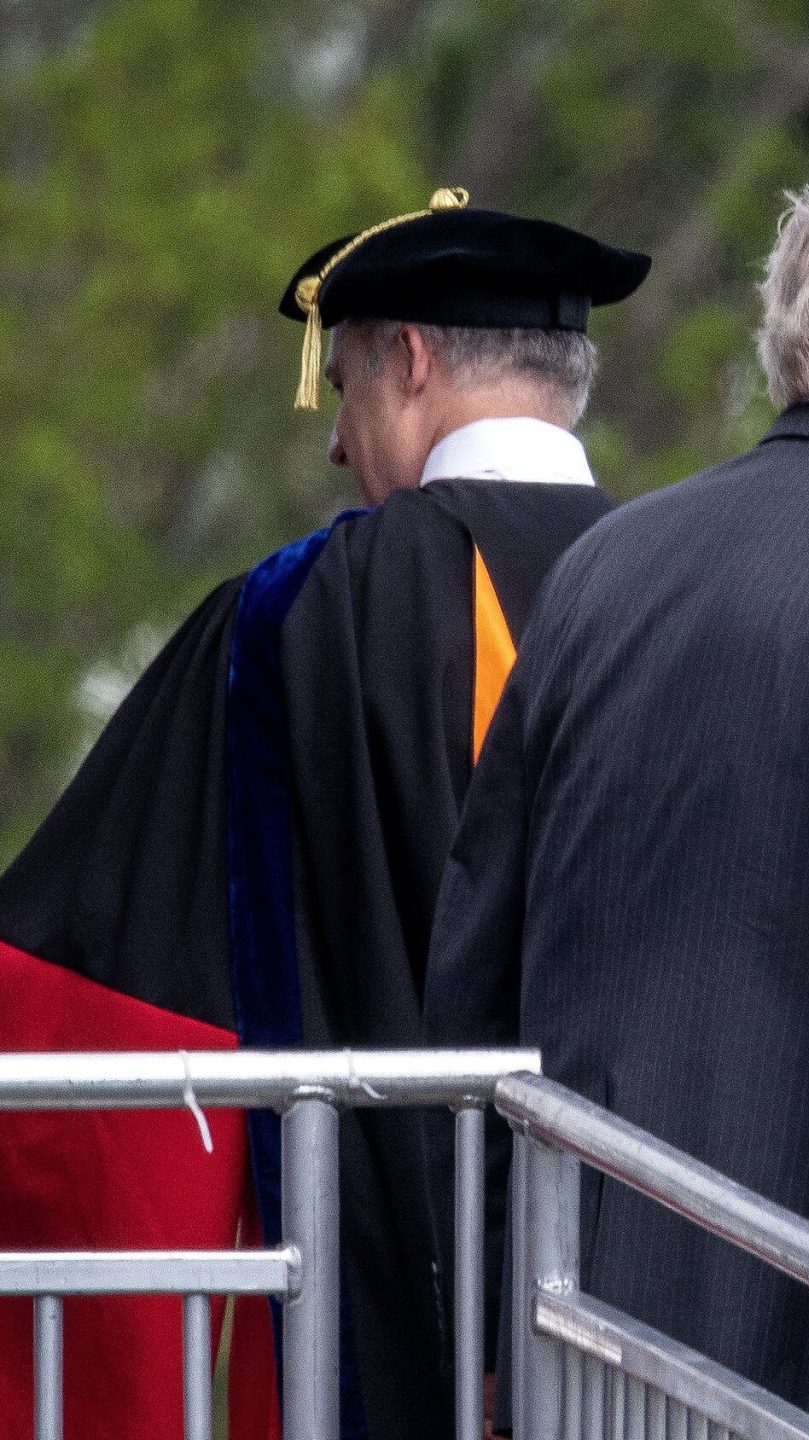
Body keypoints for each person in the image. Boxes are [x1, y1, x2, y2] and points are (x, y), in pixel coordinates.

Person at [0, 190, 645, 1439]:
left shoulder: (302, 612)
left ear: (408, 361)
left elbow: (91, 953)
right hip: (676, 1315)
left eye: (343, 385)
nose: (340, 450)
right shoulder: (702, 600)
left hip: (396, 1318)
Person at [426, 168, 809, 1437]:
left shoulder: (609, 561)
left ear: (787, 346)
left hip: (575, 1349)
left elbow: (473, 985)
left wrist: (495, 1334)